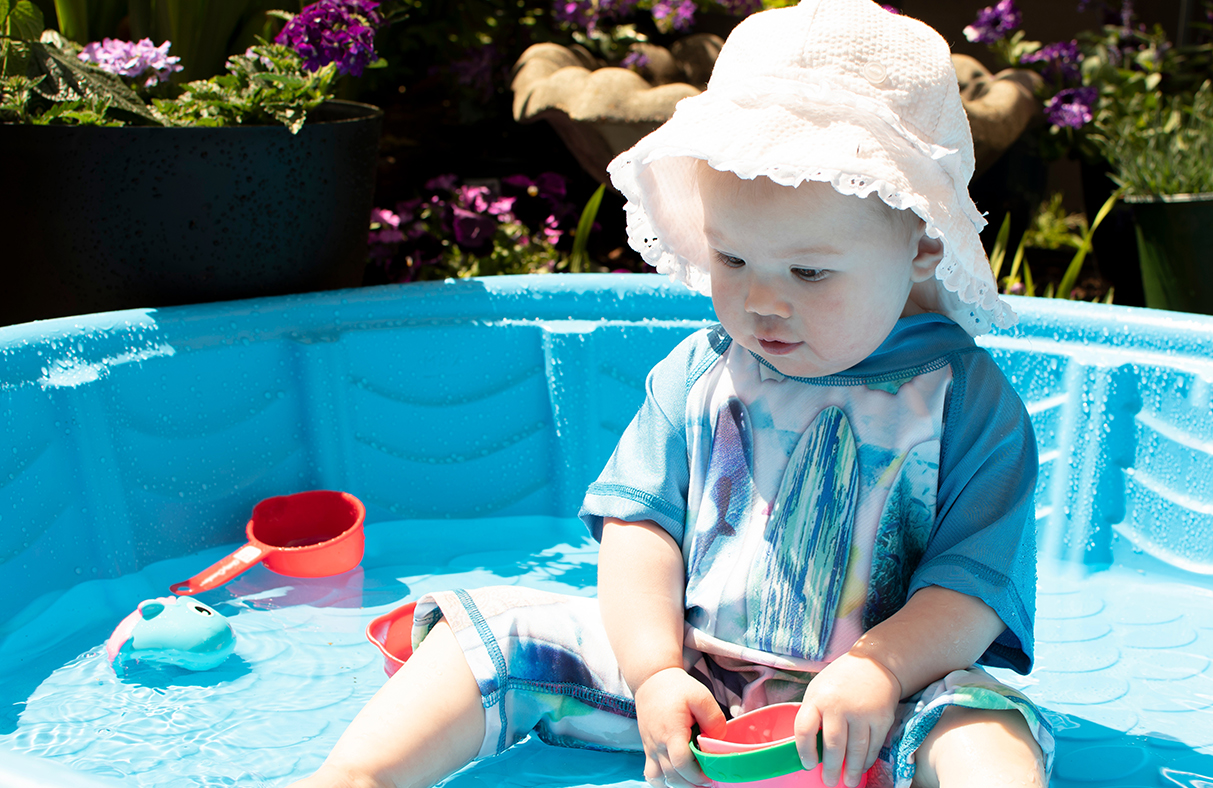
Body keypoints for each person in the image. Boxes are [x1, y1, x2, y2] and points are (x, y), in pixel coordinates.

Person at [289, 0, 1051, 786]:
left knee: (979, 722)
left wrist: (882, 669)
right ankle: (357, 777)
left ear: (923, 241)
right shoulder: (701, 372)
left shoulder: (966, 403)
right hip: (689, 691)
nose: (762, 302)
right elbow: (639, 530)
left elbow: (972, 585)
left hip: (870, 711)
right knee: (502, 628)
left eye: (809, 272)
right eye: (731, 259)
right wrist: (654, 672)